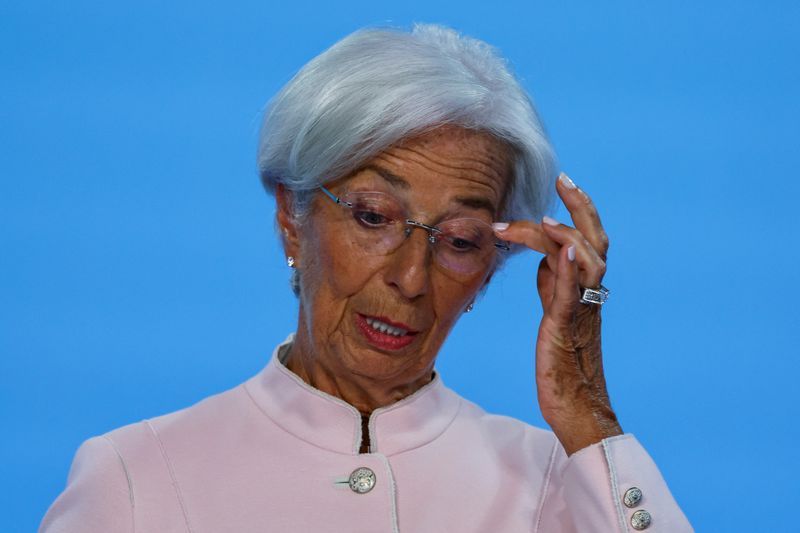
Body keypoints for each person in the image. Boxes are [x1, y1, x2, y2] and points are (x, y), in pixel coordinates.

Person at [41, 24, 692, 532]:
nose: (411, 276)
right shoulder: (135, 477)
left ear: (493, 267)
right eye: (374, 216)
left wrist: (585, 410)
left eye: (460, 240)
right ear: (292, 216)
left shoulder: (565, 482)